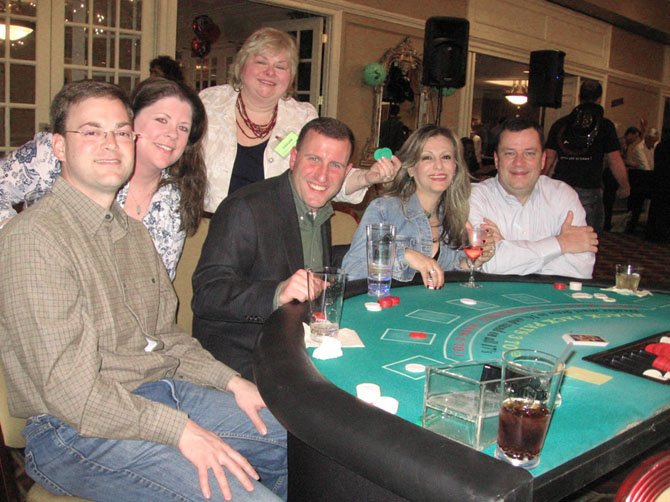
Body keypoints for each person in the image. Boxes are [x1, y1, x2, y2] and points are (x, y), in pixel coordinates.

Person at [0, 80, 286, 501]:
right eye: (92, 131)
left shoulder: (134, 233)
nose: (111, 143)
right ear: (59, 147)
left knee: (303, 440)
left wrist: (232, 383)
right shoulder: (35, 240)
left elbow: (167, 339)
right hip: (73, 432)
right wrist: (181, 431)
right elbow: (71, 396)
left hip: (158, 391)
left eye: (120, 131)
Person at [192, 117, 354, 380]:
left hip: (292, 349)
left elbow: (307, 261)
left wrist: (393, 252)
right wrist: (277, 293)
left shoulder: (318, 208)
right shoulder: (245, 208)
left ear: (347, 171)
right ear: (294, 158)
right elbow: (207, 294)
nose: (323, 175)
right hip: (242, 359)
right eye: (313, 159)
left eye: (335, 165)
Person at [0, 77, 207, 280]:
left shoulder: (173, 199)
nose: (172, 134)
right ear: (131, 120)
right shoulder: (65, 151)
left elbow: (160, 284)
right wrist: (19, 238)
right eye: (162, 120)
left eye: (183, 128)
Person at [199, 27, 397, 213]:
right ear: (242, 66)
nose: (270, 72)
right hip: (206, 226)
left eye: (280, 66)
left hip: (273, 230)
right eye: (261, 62)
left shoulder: (302, 117)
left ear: (291, 77)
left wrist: (367, 177)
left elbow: (324, 176)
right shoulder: (208, 103)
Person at [343, 125, 494, 288]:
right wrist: (405, 255)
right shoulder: (384, 209)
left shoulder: (455, 215)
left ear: (455, 167)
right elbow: (352, 272)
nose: (439, 166)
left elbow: (446, 273)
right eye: (427, 158)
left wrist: (471, 262)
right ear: (410, 168)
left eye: (446, 157)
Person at [469, 117, 597, 279]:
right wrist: (561, 244)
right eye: (509, 153)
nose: (519, 162)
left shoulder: (563, 196)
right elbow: (488, 263)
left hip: (553, 299)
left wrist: (508, 252)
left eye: (529, 153)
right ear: (496, 159)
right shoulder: (476, 198)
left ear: (543, 160)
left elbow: (582, 268)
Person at [545, 79, 630, 234]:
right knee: (587, 238)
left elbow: (548, 157)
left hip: (560, 186)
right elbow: (614, 160)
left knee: (557, 233)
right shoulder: (605, 126)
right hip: (588, 188)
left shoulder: (561, 124)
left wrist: (540, 181)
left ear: (579, 96)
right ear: (599, 98)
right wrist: (625, 185)